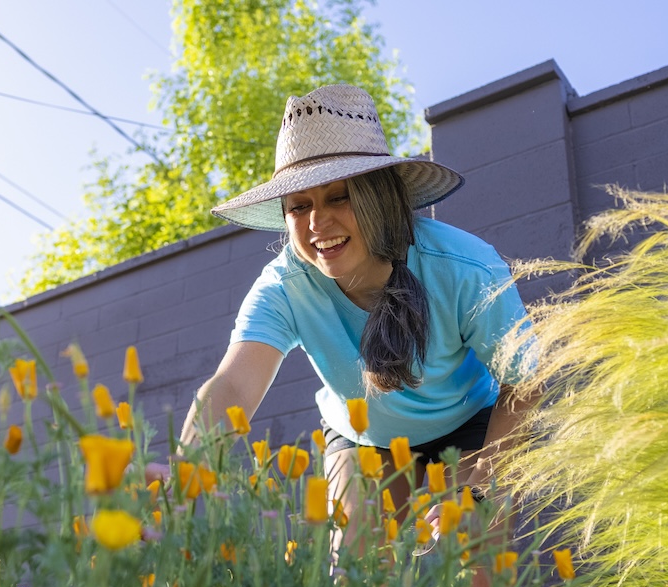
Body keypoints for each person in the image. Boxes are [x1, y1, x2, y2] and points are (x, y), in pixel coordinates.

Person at [162, 83, 539, 552]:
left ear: (379, 198)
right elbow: (233, 385)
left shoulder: (465, 269)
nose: (317, 222)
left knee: (475, 570)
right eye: (299, 206)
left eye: (338, 197)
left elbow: (526, 385)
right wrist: (178, 483)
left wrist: (478, 489)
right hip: (363, 437)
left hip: (469, 425)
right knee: (357, 574)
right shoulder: (285, 285)